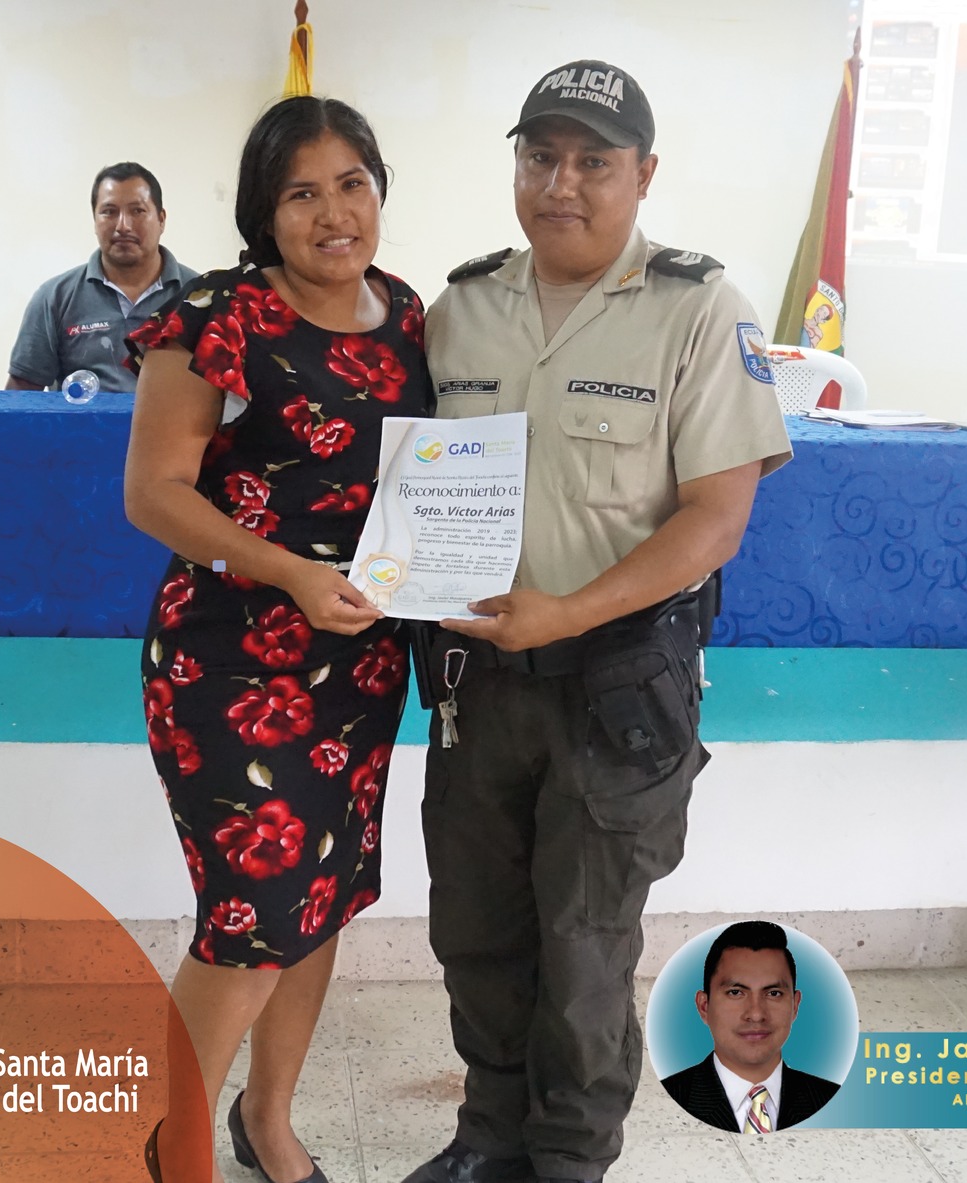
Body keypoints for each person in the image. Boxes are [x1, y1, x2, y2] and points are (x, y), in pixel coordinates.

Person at [402, 59, 793, 1183]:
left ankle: (569, 1158)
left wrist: (566, 612)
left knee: (581, 950)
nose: (560, 184)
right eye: (540, 157)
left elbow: (715, 518)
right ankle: (489, 1137)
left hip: (617, 687)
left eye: (591, 161)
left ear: (643, 174)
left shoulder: (699, 310)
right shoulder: (460, 310)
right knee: (476, 934)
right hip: (478, 687)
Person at [122, 96, 431, 1183]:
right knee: (251, 915)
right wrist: (292, 571)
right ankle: (177, 1146)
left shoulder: (407, 315)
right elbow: (153, 493)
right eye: (302, 192)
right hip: (229, 664)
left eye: (352, 184)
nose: (333, 213)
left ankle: (267, 1121)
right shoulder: (216, 315)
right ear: (265, 211)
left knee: (321, 898)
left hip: (359, 665)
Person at [7, 161, 200, 392]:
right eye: (109, 212)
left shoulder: (199, 297)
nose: (123, 226)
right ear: (95, 221)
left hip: (173, 417)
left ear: (161, 220)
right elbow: (22, 392)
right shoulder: (55, 297)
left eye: (137, 211)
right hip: (80, 418)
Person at [658, 922, 839, 1132]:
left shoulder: (829, 1098)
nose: (756, 1014)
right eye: (736, 992)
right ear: (704, 1006)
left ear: (795, 1006)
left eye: (773, 993)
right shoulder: (668, 1096)